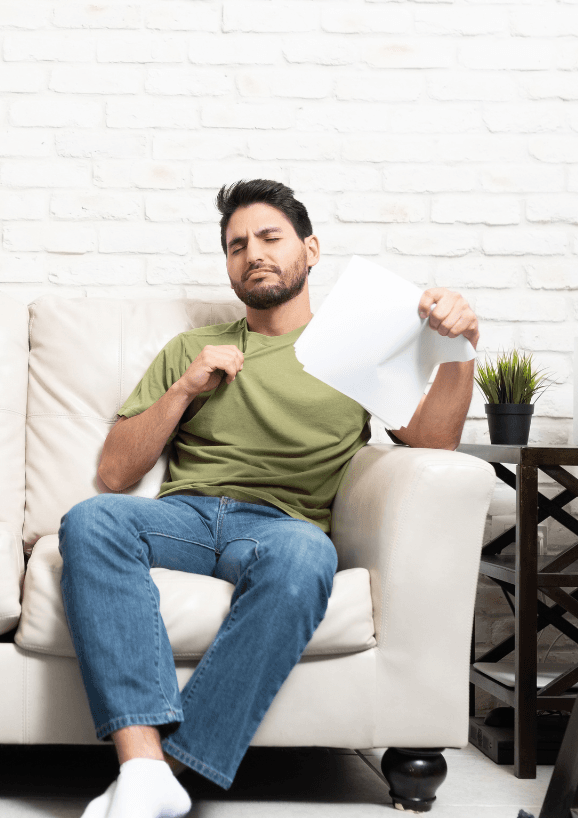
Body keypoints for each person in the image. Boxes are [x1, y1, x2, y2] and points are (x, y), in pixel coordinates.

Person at [60, 180, 480, 818]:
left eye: (269, 237)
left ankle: (161, 772)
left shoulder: (355, 349)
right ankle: (141, 767)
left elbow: (435, 442)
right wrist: (184, 392)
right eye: (235, 245)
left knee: (307, 559)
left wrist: (459, 350)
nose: (251, 252)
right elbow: (115, 474)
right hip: (187, 516)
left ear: (310, 250)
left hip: (284, 527)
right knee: (90, 521)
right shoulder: (188, 352)